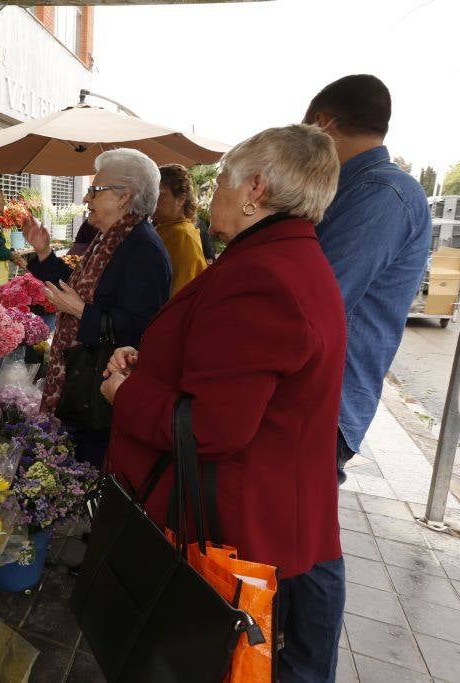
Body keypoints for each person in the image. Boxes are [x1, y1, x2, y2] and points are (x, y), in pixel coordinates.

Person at [100, 125, 345, 682]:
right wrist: (156, 366)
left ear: (255, 188)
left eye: (225, 183)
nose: (214, 196)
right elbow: (236, 373)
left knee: (200, 660)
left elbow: (213, 425)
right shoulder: (284, 257)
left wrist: (128, 394)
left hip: (230, 518)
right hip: (257, 501)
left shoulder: (263, 273)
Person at [303, 75, 432, 484]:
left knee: (289, 538)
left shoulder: (381, 192)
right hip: (316, 398)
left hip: (324, 404)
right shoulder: (354, 187)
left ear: (323, 123)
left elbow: (316, 301)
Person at [23, 148, 171, 467]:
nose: (87, 199)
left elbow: (142, 330)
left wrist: (80, 312)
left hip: (100, 393)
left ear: (124, 196)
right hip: (83, 382)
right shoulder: (109, 239)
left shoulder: (142, 248)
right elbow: (75, 288)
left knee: (90, 467)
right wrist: (45, 253)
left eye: (95, 190)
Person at [154, 164, 208, 295]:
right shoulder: (164, 228)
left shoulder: (183, 235)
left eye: (160, 195)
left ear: (181, 198)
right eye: (152, 194)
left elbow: (179, 293)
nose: (153, 200)